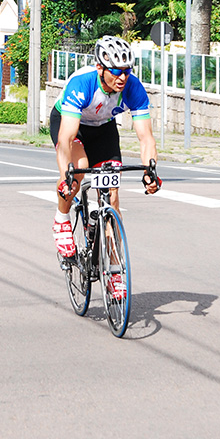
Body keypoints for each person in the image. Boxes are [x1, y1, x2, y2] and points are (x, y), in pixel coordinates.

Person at [50, 35, 161, 299]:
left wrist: (151, 172)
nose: (122, 77)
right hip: (72, 125)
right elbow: (66, 139)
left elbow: (146, 138)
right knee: (79, 169)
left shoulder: (133, 88)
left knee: (112, 198)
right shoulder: (82, 83)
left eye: (127, 71)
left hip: (103, 130)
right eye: (116, 71)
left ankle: (114, 270)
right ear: (100, 67)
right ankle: (61, 219)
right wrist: (66, 176)